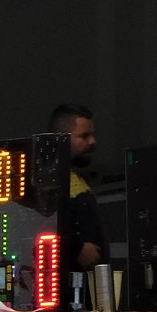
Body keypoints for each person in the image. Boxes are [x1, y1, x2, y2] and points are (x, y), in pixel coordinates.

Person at [48, 103, 108, 271]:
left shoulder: (76, 177)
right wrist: (76, 248)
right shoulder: (49, 180)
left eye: (92, 134)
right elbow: (44, 225)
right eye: (84, 136)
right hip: (70, 281)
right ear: (62, 139)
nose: (92, 141)